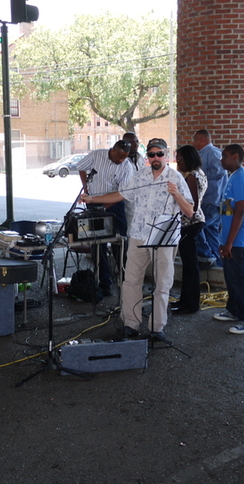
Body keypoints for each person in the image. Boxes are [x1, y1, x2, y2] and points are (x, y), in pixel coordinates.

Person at [82, 138, 194, 341]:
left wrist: (176, 194)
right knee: (131, 281)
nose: (155, 158)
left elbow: (189, 211)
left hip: (163, 237)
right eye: (151, 154)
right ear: (147, 157)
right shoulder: (139, 176)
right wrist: (92, 199)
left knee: (162, 284)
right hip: (139, 235)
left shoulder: (176, 177)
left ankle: (156, 328)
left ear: (166, 155)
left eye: (159, 153)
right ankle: (130, 324)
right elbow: (120, 195)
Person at [212, 144, 244, 334]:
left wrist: (229, 242)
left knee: (242, 279)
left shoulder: (241, 177)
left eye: (223, 156)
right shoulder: (233, 177)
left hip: (241, 238)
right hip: (232, 238)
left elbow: (240, 211)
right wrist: (223, 241)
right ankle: (233, 310)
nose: (221, 159)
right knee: (231, 277)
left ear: (234, 156)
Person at [77, 139, 135, 296]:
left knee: (120, 244)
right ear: (113, 151)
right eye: (120, 157)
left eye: (125, 157)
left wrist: (104, 206)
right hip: (93, 205)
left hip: (115, 207)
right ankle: (104, 283)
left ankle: (126, 282)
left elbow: (123, 193)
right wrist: (86, 186)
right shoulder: (96, 156)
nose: (122, 160)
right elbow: (81, 167)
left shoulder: (127, 166)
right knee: (98, 246)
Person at [171, 145, 206, 314]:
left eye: (180, 159)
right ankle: (184, 301)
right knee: (188, 264)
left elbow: (193, 205)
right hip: (194, 223)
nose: (178, 162)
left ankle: (190, 304)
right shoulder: (199, 173)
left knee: (190, 266)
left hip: (190, 224)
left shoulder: (192, 177)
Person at [192, 129, 228, 267]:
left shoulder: (212, 152)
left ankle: (206, 255)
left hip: (212, 199)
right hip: (208, 199)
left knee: (198, 226)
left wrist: (200, 175)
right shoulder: (203, 153)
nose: (193, 143)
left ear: (202, 139)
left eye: (195, 139)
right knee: (211, 231)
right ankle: (218, 261)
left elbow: (220, 171)